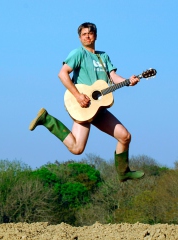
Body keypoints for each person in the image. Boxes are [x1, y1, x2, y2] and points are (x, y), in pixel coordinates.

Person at [29, 22, 144, 182]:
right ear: (80, 37)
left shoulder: (103, 56)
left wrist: (127, 81)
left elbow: (113, 77)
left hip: (100, 109)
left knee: (125, 136)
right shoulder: (78, 53)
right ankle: (48, 120)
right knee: (77, 149)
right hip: (83, 106)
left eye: (90, 33)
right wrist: (77, 95)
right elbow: (62, 74)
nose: (87, 36)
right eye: (84, 34)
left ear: (95, 36)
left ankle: (123, 172)